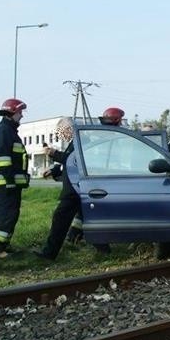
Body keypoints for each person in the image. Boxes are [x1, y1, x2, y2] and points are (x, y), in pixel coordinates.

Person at [32, 107, 124, 261]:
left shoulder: (81, 140)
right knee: (88, 219)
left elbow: (73, 160)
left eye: (62, 131)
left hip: (75, 188)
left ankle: (49, 254)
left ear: (68, 129)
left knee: (61, 218)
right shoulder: (77, 140)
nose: (61, 135)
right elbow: (69, 162)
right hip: (80, 187)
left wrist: (54, 154)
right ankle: (102, 249)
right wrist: (55, 171)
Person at [0, 98, 30, 258]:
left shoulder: (9, 130)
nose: (21, 116)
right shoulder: (3, 131)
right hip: (5, 183)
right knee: (4, 214)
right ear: (12, 112)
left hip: (10, 183)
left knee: (11, 214)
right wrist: (10, 181)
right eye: (20, 112)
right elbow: (1, 159)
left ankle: (3, 244)